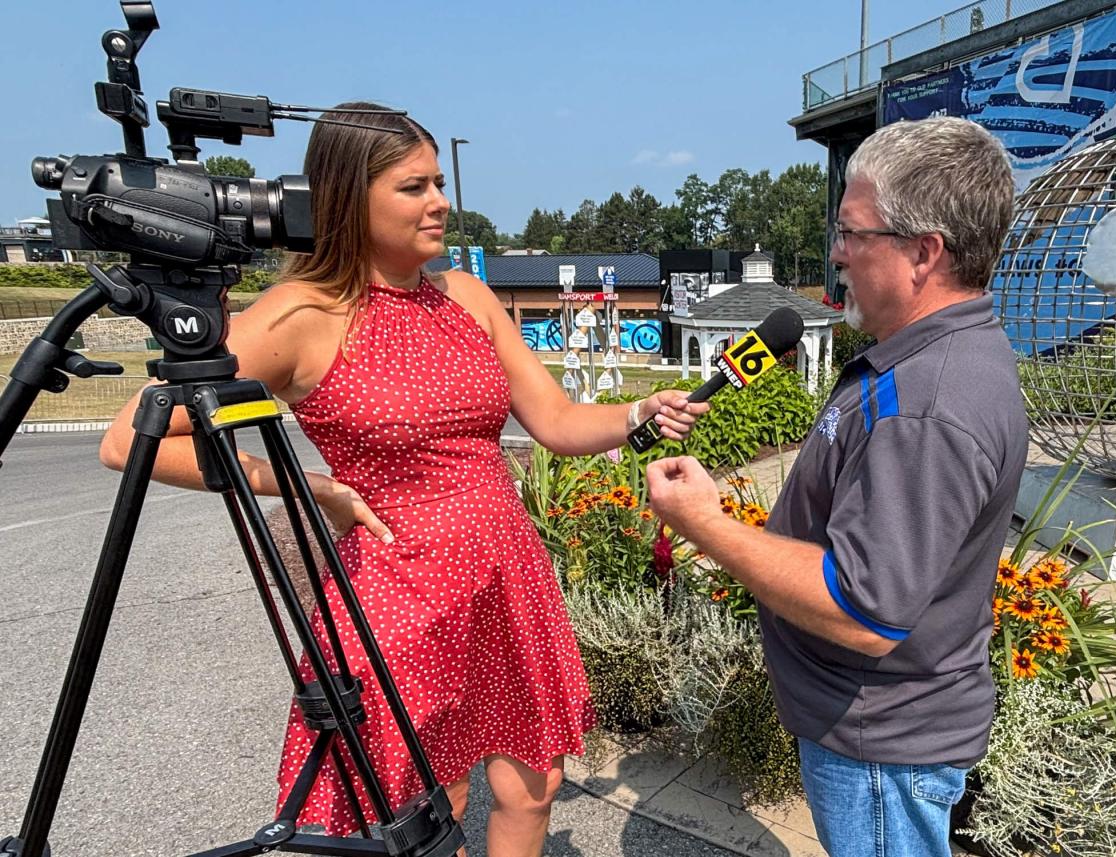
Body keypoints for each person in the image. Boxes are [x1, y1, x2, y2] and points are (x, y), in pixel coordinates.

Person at [99, 102, 708, 857]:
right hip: (399, 591)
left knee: (533, 784)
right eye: (414, 186)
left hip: (504, 572)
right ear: (349, 198)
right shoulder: (302, 313)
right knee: (422, 802)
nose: (440, 202)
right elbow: (131, 438)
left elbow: (553, 419)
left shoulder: (467, 295)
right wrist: (307, 488)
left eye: (439, 182)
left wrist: (637, 408)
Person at [646, 116, 1026, 857]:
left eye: (854, 233)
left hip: (880, 746)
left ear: (924, 252)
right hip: (872, 735)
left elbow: (863, 609)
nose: (836, 253)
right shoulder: (919, 362)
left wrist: (707, 523)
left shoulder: (929, 402)